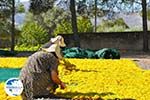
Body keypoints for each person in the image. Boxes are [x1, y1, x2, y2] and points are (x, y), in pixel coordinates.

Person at [19, 35, 70, 100]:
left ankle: (34, 93)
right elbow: (54, 77)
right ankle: (43, 93)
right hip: (35, 88)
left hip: (22, 89)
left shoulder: (36, 54)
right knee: (55, 75)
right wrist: (61, 83)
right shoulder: (52, 58)